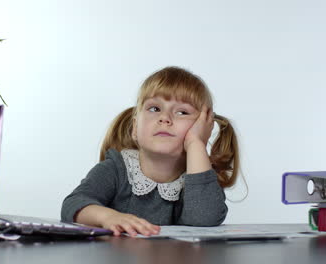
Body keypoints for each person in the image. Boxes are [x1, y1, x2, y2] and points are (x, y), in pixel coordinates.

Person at [61, 66, 240, 237]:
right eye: (154, 108)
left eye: (182, 112)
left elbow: (204, 219)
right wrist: (107, 217)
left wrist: (196, 143)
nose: (165, 118)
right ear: (134, 127)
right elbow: (72, 205)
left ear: (203, 128)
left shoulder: (200, 177)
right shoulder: (116, 169)